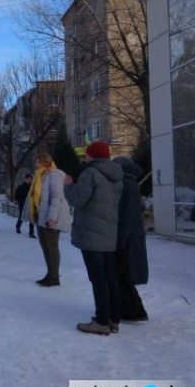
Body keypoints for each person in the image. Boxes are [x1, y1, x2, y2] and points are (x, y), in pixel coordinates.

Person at [64, 141, 124, 335]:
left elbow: (77, 200)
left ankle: (101, 321)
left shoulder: (90, 173)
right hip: (109, 233)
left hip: (91, 233)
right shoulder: (117, 176)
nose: (85, 157)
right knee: (109, 277)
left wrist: (69, 186)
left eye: (87, 154)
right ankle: (114, 318)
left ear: (92, 156)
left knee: (97, 278)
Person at [25, 155, 72, 287]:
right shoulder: (41, 176)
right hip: (41, 216)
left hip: (50, 218)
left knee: (52, 246)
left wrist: (52, 217)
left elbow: (57, 197)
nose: (36, 165)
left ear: (46, 163)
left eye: (38, 162)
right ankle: (50, 273)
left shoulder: (55, 175)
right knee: (45, 246)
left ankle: (54, 276)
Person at [112, 156, 149, 322]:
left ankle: (134, 310)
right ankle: (133, 309)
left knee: (123, 274)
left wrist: (120, 241)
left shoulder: (126, 184)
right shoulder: (129, 182)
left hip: (126, 238)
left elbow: (125, 216)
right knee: (123, 274)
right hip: (128, 236)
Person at [14, 173, 35, 238]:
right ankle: (18, 227)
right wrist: (20, 201)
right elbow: (16, 195)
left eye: (31, 179)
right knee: (21, 216)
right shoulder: (20, 187)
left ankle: (31, 232)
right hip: (23, 204)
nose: (29, 180)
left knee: (32, 218)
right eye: (28, 179)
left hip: (31, 204)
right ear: (25, 179)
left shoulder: (32, 187)